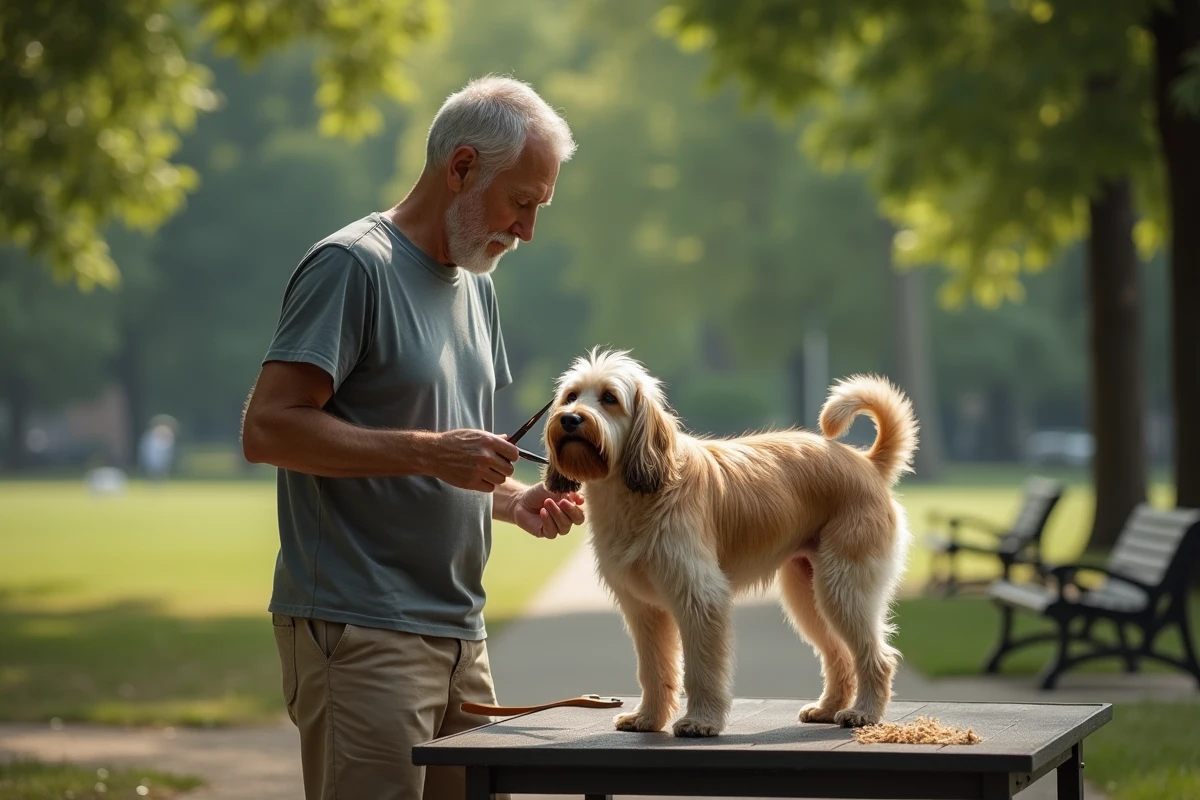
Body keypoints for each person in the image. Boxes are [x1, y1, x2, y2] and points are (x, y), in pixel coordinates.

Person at [239, 75, 584, 800]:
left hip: (462, 635)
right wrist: (433, 451)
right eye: (521, 202)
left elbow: (437, 462)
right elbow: (269, 428)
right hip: (361, 634)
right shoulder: (351, 265)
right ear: (460, 167)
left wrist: (512, 500)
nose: (527, 229)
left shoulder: (477, 285)